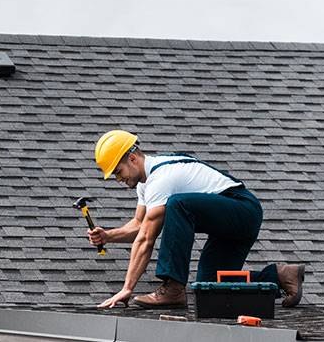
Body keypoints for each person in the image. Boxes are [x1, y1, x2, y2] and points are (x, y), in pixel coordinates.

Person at [87, 130, 305, 309]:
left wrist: (127, 288)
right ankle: (280, 276)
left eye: (118, 171)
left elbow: (146, 238)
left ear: (132, 158)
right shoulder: (146, 184)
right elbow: (138, 225)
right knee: (208, 287)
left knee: (177, 204)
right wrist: (108, 236)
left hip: (242, 209)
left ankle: (172, 288)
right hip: (228, 220)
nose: (118, 179)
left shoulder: (161, 179)